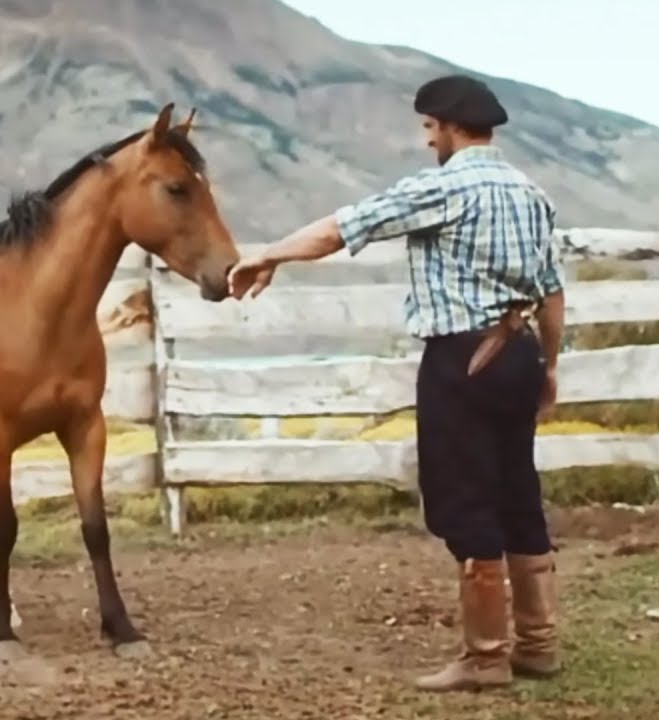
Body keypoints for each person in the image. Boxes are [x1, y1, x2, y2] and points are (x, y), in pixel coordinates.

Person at [227, 73, 565, 692]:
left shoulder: (443, 188)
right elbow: (552, 292)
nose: (427, 141)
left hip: (462, 358)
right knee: (518, 488)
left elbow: (343, 228)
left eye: (428, 129)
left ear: (447, 126)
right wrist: (551, 368)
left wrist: (268, 254)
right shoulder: (531, 194)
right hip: (519, 354)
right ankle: (538, 645)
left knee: (463, 497)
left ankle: (486, 656)